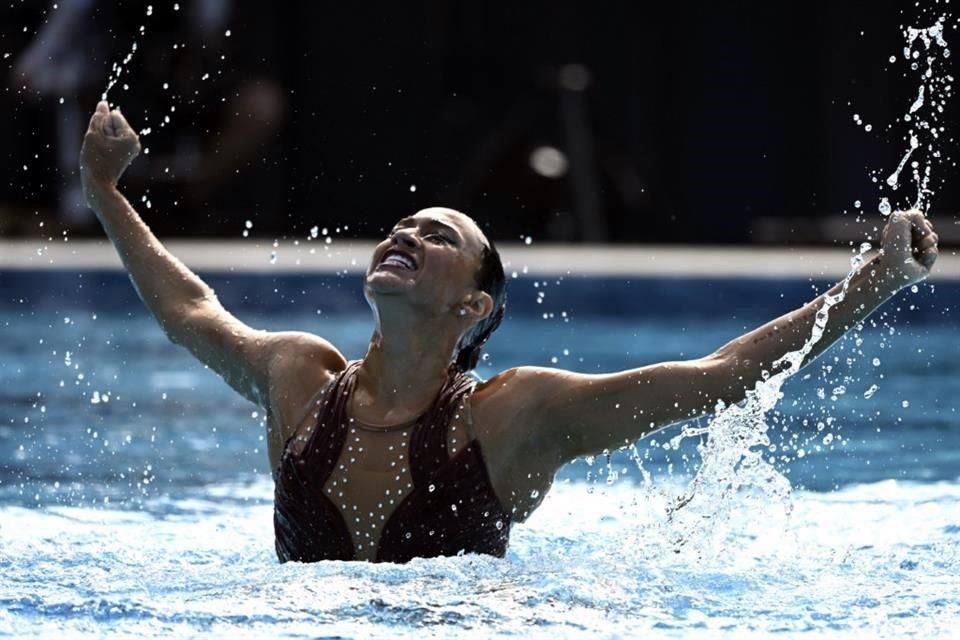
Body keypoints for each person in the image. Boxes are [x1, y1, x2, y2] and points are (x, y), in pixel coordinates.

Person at [79, 101, 940, 563]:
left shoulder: (510, 417)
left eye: (437, 234)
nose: (406, 234)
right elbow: (192, 312)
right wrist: (107, 191)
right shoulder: (301, 380)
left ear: (474, 307)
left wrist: (871, 282)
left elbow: (718, 374)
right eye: (403, 225)